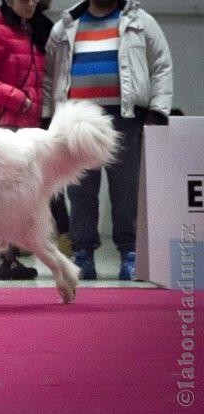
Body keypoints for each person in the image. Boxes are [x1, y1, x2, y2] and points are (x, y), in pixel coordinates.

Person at [42, 0, 173, 280]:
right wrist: (47, 116)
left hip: (125, 118)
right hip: (77, 123)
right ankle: (83, 255)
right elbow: (49, 76)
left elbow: (162, 66)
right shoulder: (64, 27)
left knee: (127, 191)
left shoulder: (142, 22)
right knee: (80, 192)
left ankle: (130, 254)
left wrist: (158, 111)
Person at [0, 0, 51, 280]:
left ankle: (8, 258)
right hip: (1, 126)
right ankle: (1, 258)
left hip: (26, 127)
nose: (30, 2)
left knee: (16, 198)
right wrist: (21, 101)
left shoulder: (33, 29)